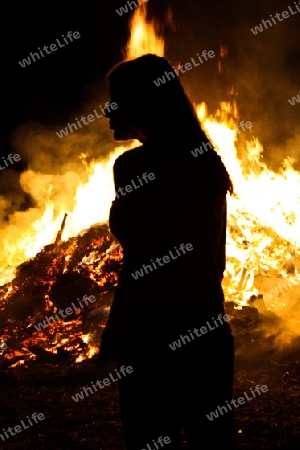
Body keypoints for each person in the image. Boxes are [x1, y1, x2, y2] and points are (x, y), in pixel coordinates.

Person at [99, 54, 235, 450]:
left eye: (117, 100)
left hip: (152, 336)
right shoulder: (207, 162)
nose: (108, 111)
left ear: (142, 103)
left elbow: (142, 258)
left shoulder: (133, 166)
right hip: (208, 328)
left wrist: (119, 334)